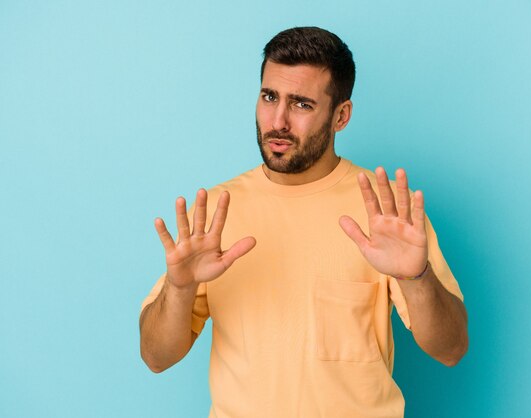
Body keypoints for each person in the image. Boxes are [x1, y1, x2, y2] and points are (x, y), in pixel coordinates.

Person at [140, 26, 468, 418]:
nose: (277, 120)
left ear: (340, 115)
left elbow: (451, 350)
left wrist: (417, 278)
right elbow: (156, 358)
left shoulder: (387, 214)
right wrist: (180, 288)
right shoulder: (216, 212)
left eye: (301, 104)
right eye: (269, 97)